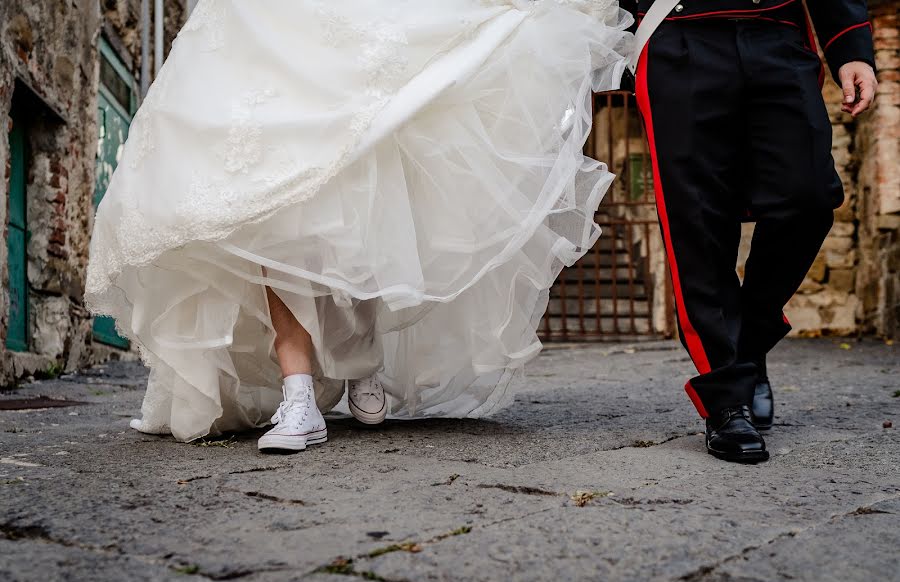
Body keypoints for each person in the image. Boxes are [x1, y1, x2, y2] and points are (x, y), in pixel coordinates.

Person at [85, 0, 634, 451]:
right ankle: (296, 389)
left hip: (359, 22)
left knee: (360, 172)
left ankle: (360, 355)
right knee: (261, 197)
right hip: (263, 25)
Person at [624, 0, 877, 463]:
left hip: (776, 31)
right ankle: (726, 396)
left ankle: (749, 341)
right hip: (676, 31)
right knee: (695, 219)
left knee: (810, 197)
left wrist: (851, 49)